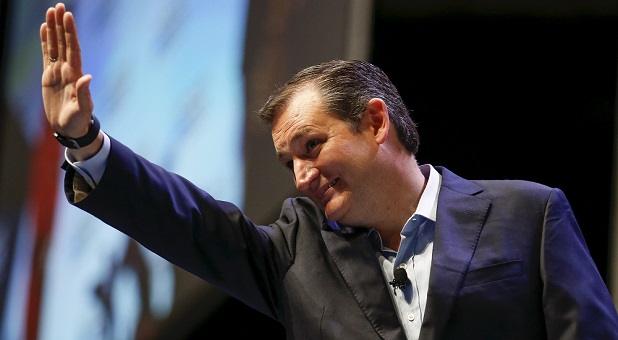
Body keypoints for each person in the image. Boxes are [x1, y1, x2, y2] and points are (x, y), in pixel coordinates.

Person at [40, 3, 618, 339]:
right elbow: (189, 223)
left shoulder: (528, 214)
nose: (300, 176)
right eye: (289, 162)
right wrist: (84, 141)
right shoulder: (298, 251)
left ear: (374, 123)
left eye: (311, 146)